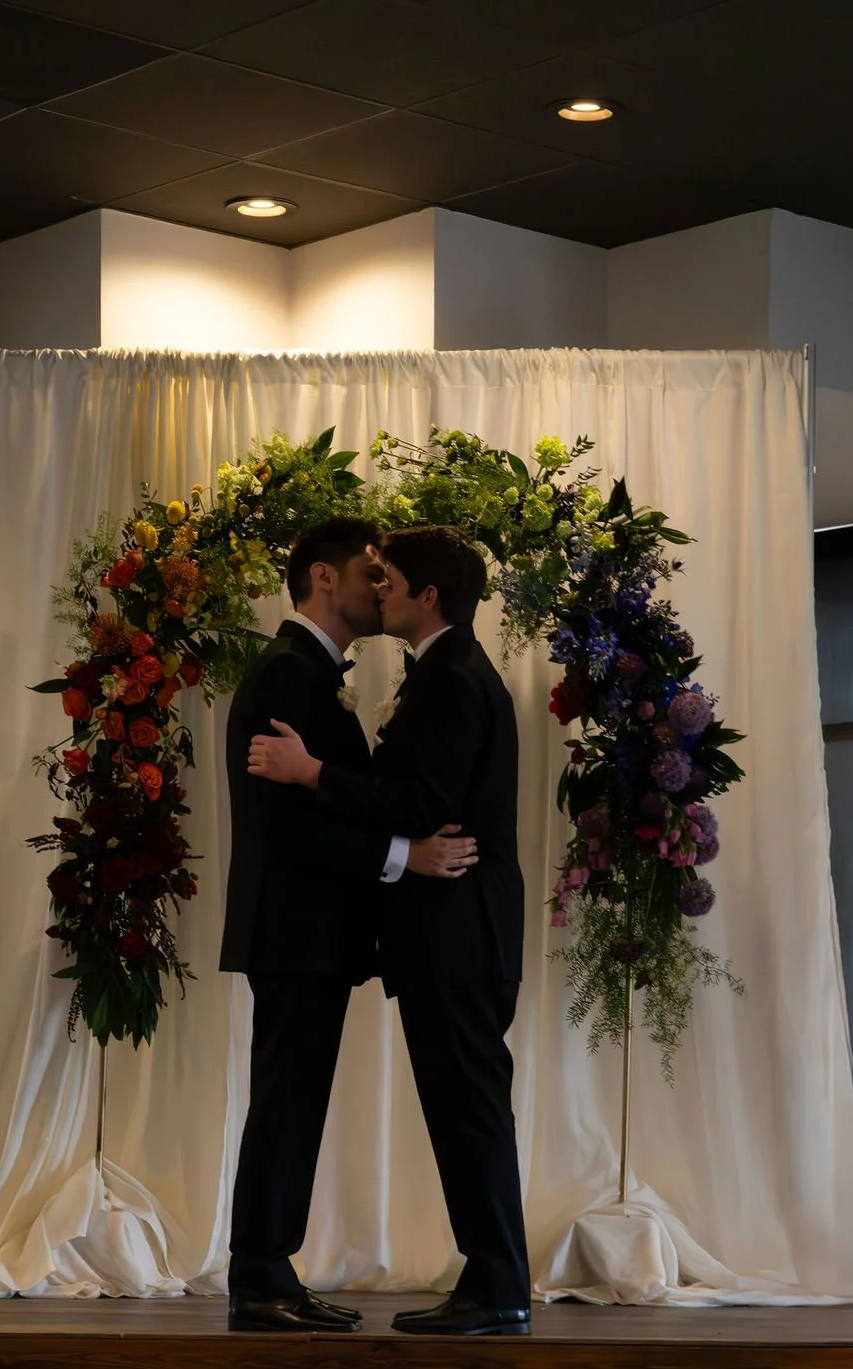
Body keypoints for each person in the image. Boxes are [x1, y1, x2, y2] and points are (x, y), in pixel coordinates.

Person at [248, 525, 530, 1338]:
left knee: (469, 1109)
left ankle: (499, 1288)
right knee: (465, 1108)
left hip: (458, 934)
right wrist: (402, 852)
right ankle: (492, 1282)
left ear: (428, 596)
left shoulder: (449, 677)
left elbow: (416, 798)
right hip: (453, 934)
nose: (381, 591)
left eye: (392, 579)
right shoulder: (441, 672)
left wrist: (314, 773)